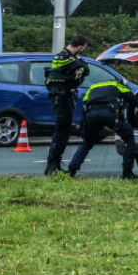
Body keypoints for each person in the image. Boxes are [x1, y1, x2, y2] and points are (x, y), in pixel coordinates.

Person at [67, 74, 138, 179]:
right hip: (110, 113)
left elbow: (85, 102)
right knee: (129, 138)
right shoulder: (117, 85)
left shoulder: (93, 87)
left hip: (91, 114)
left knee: (87, 142)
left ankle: (72, 170)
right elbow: (135, 101)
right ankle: (127, 173)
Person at [42, 35, 91, 176]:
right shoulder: (68, 58)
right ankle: (53, 166)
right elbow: (85, 70)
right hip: (63, 98)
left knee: (61, 132)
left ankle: (52, 166)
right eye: (83, 48)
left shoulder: (60, 56)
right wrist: (79, 60)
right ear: (80, 47)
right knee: (62, 132)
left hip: (59, 96)